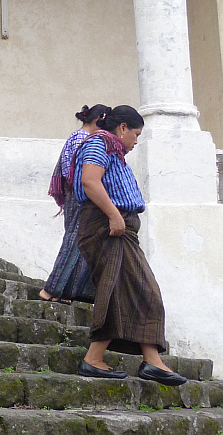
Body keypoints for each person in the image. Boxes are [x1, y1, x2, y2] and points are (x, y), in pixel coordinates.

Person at [72, 105, 186, 386]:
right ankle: (94, 358)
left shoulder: (113, 150)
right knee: (119, 290)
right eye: (135, 134)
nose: (136, 141)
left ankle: (151, 361)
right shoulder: (99, 143)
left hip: (120, 230)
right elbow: (89, 181)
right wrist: (113, 215)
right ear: (122, 128)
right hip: (106, 228)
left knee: (143, 291)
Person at [40, 104, 109, 304]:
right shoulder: (80, 138)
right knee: (74, 240)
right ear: (99, 120)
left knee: (84, 241)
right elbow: (75, 171)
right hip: (79, 195)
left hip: (82, 195)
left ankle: (73, 291)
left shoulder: (82, 137)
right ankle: (51, 288)